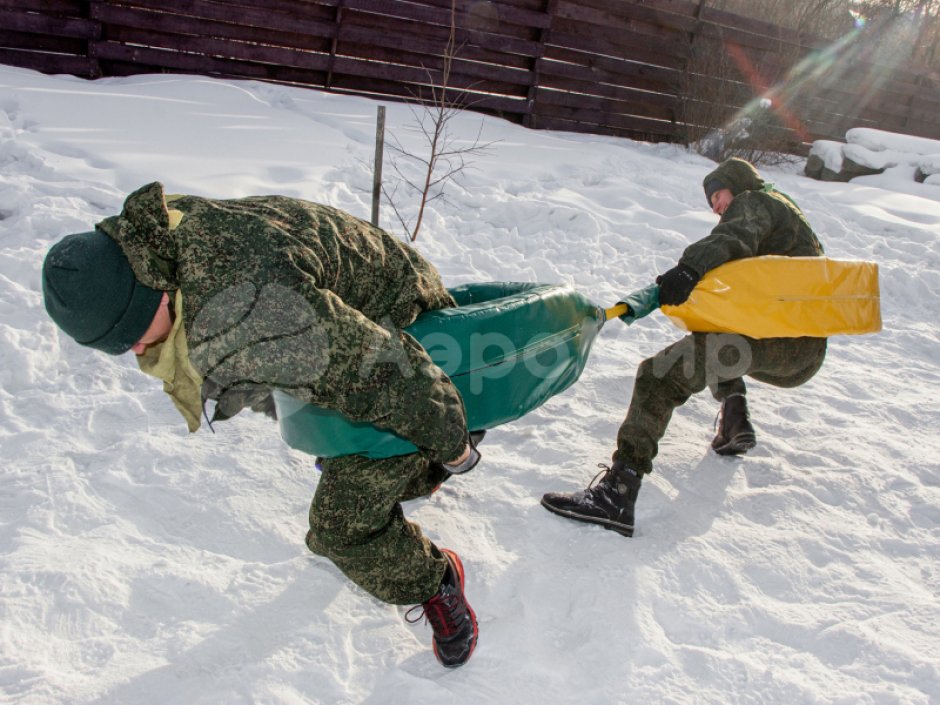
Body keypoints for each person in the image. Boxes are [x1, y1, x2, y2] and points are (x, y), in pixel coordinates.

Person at [41, 182, 480, 667]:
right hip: (362, 295)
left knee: (341, 529)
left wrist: (455, 446)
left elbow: (387, 372)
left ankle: (436, 581)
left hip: (406, 321)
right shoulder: (161, 237)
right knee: (325, 397)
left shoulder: (248, 312)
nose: (139, 353)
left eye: (133, 338)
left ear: (155, 298)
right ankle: (406, 463)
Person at [541, 157, 827, 538]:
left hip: (774, 338)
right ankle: (734, 418)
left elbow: (730, 238)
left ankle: (617, 494)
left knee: (657, 376)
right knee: (711, 341)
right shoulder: (788, 212)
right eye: (711, 203)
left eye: (718, 195)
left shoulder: (755, 202)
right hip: (801, 352)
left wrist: (690, 268)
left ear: (737, 184)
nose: (716, 207)